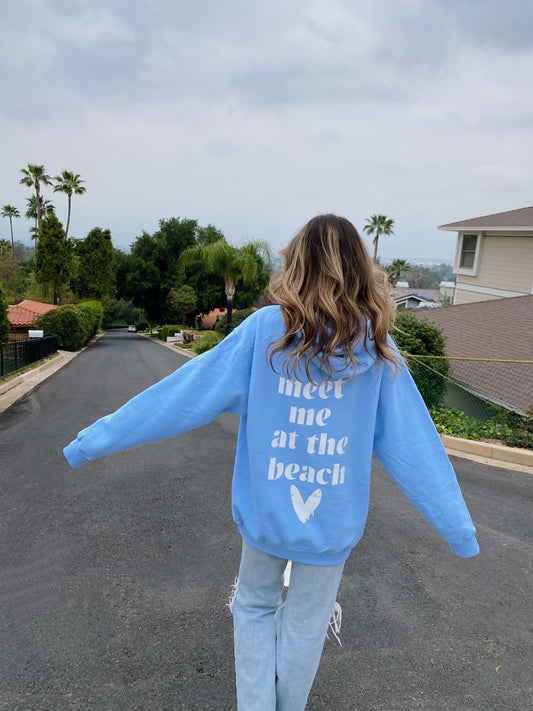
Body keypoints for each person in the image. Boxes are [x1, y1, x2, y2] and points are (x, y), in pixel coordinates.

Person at [63, 214, 479, 711]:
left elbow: (181, 395)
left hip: (265, 514)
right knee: (306, 626)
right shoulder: (379, 352)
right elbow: (417, 450)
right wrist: (459, 531)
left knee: (255, 608)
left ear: (297, 262)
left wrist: (92, 441)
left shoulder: (265, 332)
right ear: (360, 270)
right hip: (330, 527)